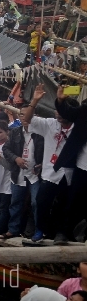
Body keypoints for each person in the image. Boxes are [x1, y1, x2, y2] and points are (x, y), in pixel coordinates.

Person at [24, 84, 77, 243]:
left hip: (70, 173)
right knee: (41, 203)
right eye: (58, 111)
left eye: (63, 111)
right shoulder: (49, 124)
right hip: (50, 172)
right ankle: (40, 230)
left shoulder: (79, 127)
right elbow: (27, 119)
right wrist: (34, 100)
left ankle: (61, 233)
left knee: (65, 206)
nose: (58, 114)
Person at [2, 104, 44, 239]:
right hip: (18, 173)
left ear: (34, 116)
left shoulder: (41, 134)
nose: (25, 117)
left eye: (28, 114)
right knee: (16, 202)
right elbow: (6, 150)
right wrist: (16, 159)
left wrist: (42, 164)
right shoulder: (15, 132)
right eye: (21, 114)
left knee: (36, 202)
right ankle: (13, 229)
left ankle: (39, 230)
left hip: (35, 174)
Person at [53, 85, 87, 242]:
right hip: (82, 165)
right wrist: (61, 100)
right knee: (73, 200)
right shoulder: (85, 110)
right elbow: (68, 113)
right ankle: (64, 232)